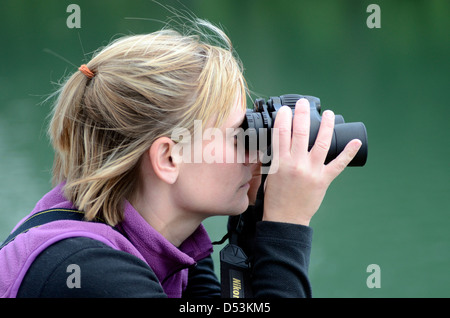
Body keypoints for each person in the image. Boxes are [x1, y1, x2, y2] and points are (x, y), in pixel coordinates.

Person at [0, 19, 361, 298]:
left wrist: (257, 219)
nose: (254, 150)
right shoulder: (85, 271)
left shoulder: (168, 242)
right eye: (239, 133)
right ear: (169, 159)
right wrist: (287, 226)